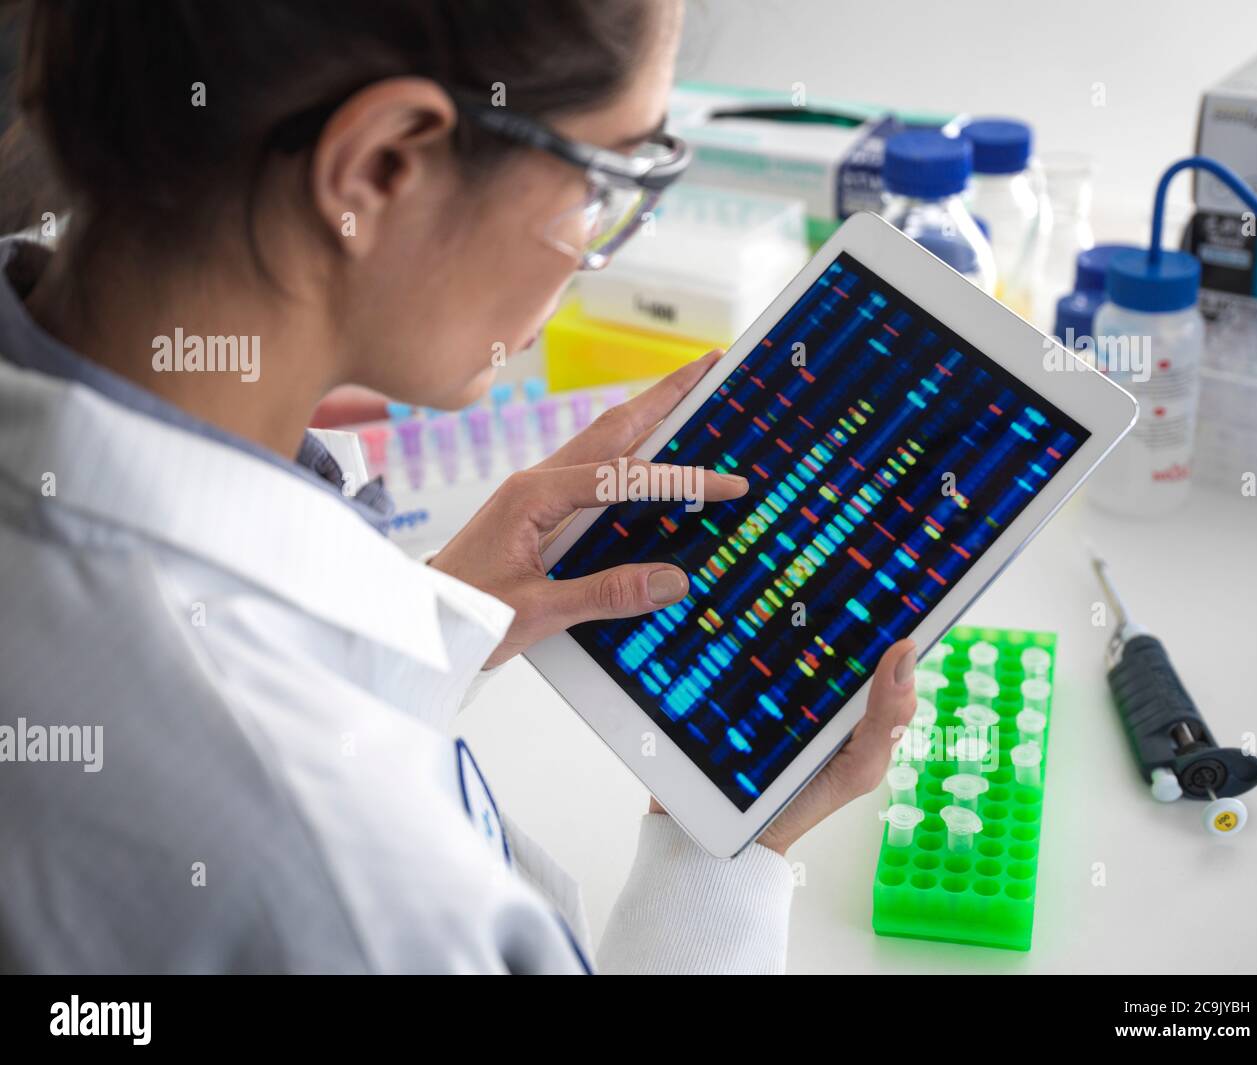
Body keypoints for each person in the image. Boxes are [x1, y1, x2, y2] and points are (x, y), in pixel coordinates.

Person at [0, 0, 916, 974]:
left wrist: (435, 620)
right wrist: (726, 852)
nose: (596, 247)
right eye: (602, 185)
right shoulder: (354, 893)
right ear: (380, 166)